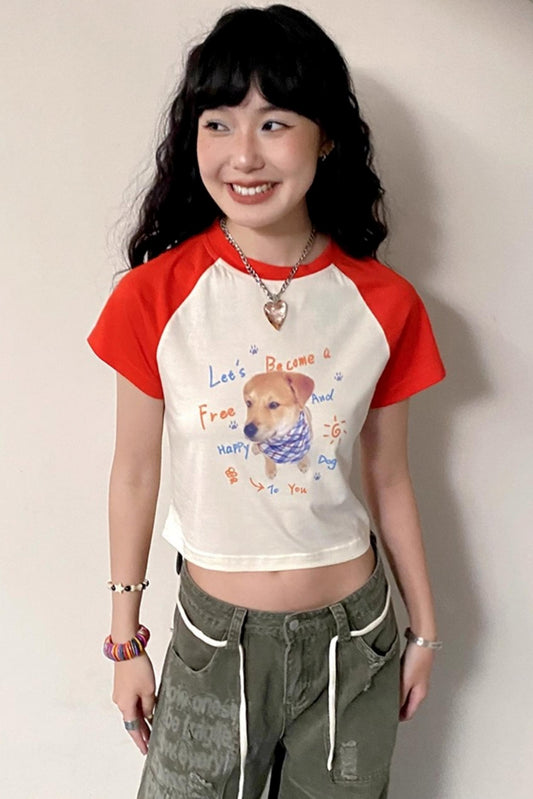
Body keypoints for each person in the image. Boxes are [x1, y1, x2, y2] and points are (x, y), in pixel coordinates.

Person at [88, 5, 445, 798]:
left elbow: (391, 479)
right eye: (217, 123)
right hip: (212, 643)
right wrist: (124, 643)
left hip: (356, 638)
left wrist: (424, 629)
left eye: (274, 122)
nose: (242, 154)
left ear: (326, 137)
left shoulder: (384, 303)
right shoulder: (155, 296)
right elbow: (135, 474)